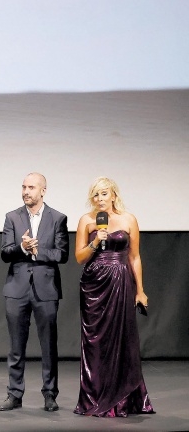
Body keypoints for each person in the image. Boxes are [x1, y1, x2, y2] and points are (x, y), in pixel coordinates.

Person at [73, 177, 154, 417]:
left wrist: (140, 290)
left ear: (114, 195)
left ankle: (124, 399)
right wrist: (95, 242)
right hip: (94, 285)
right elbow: (79, 258)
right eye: (95, 194)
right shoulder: (87, 221)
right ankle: (95, 396)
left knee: (123, 338)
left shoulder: (129, 219)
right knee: (96, 342)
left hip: (121, 282)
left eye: (104, 194)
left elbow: (135, 257)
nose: (99, 199)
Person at [0, 173, 69, 412]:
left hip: (46, 289)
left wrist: (38, 251)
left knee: (48, 345)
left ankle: (50, 394)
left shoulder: (58, 218)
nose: (26, 191)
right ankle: (14, 394)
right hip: (17, 288)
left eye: (31, 187)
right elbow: (5, 252)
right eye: (23, 187)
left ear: (43, 191)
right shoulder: (12, 217)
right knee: (16, 346)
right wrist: (22, 247)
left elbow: (62, 254)